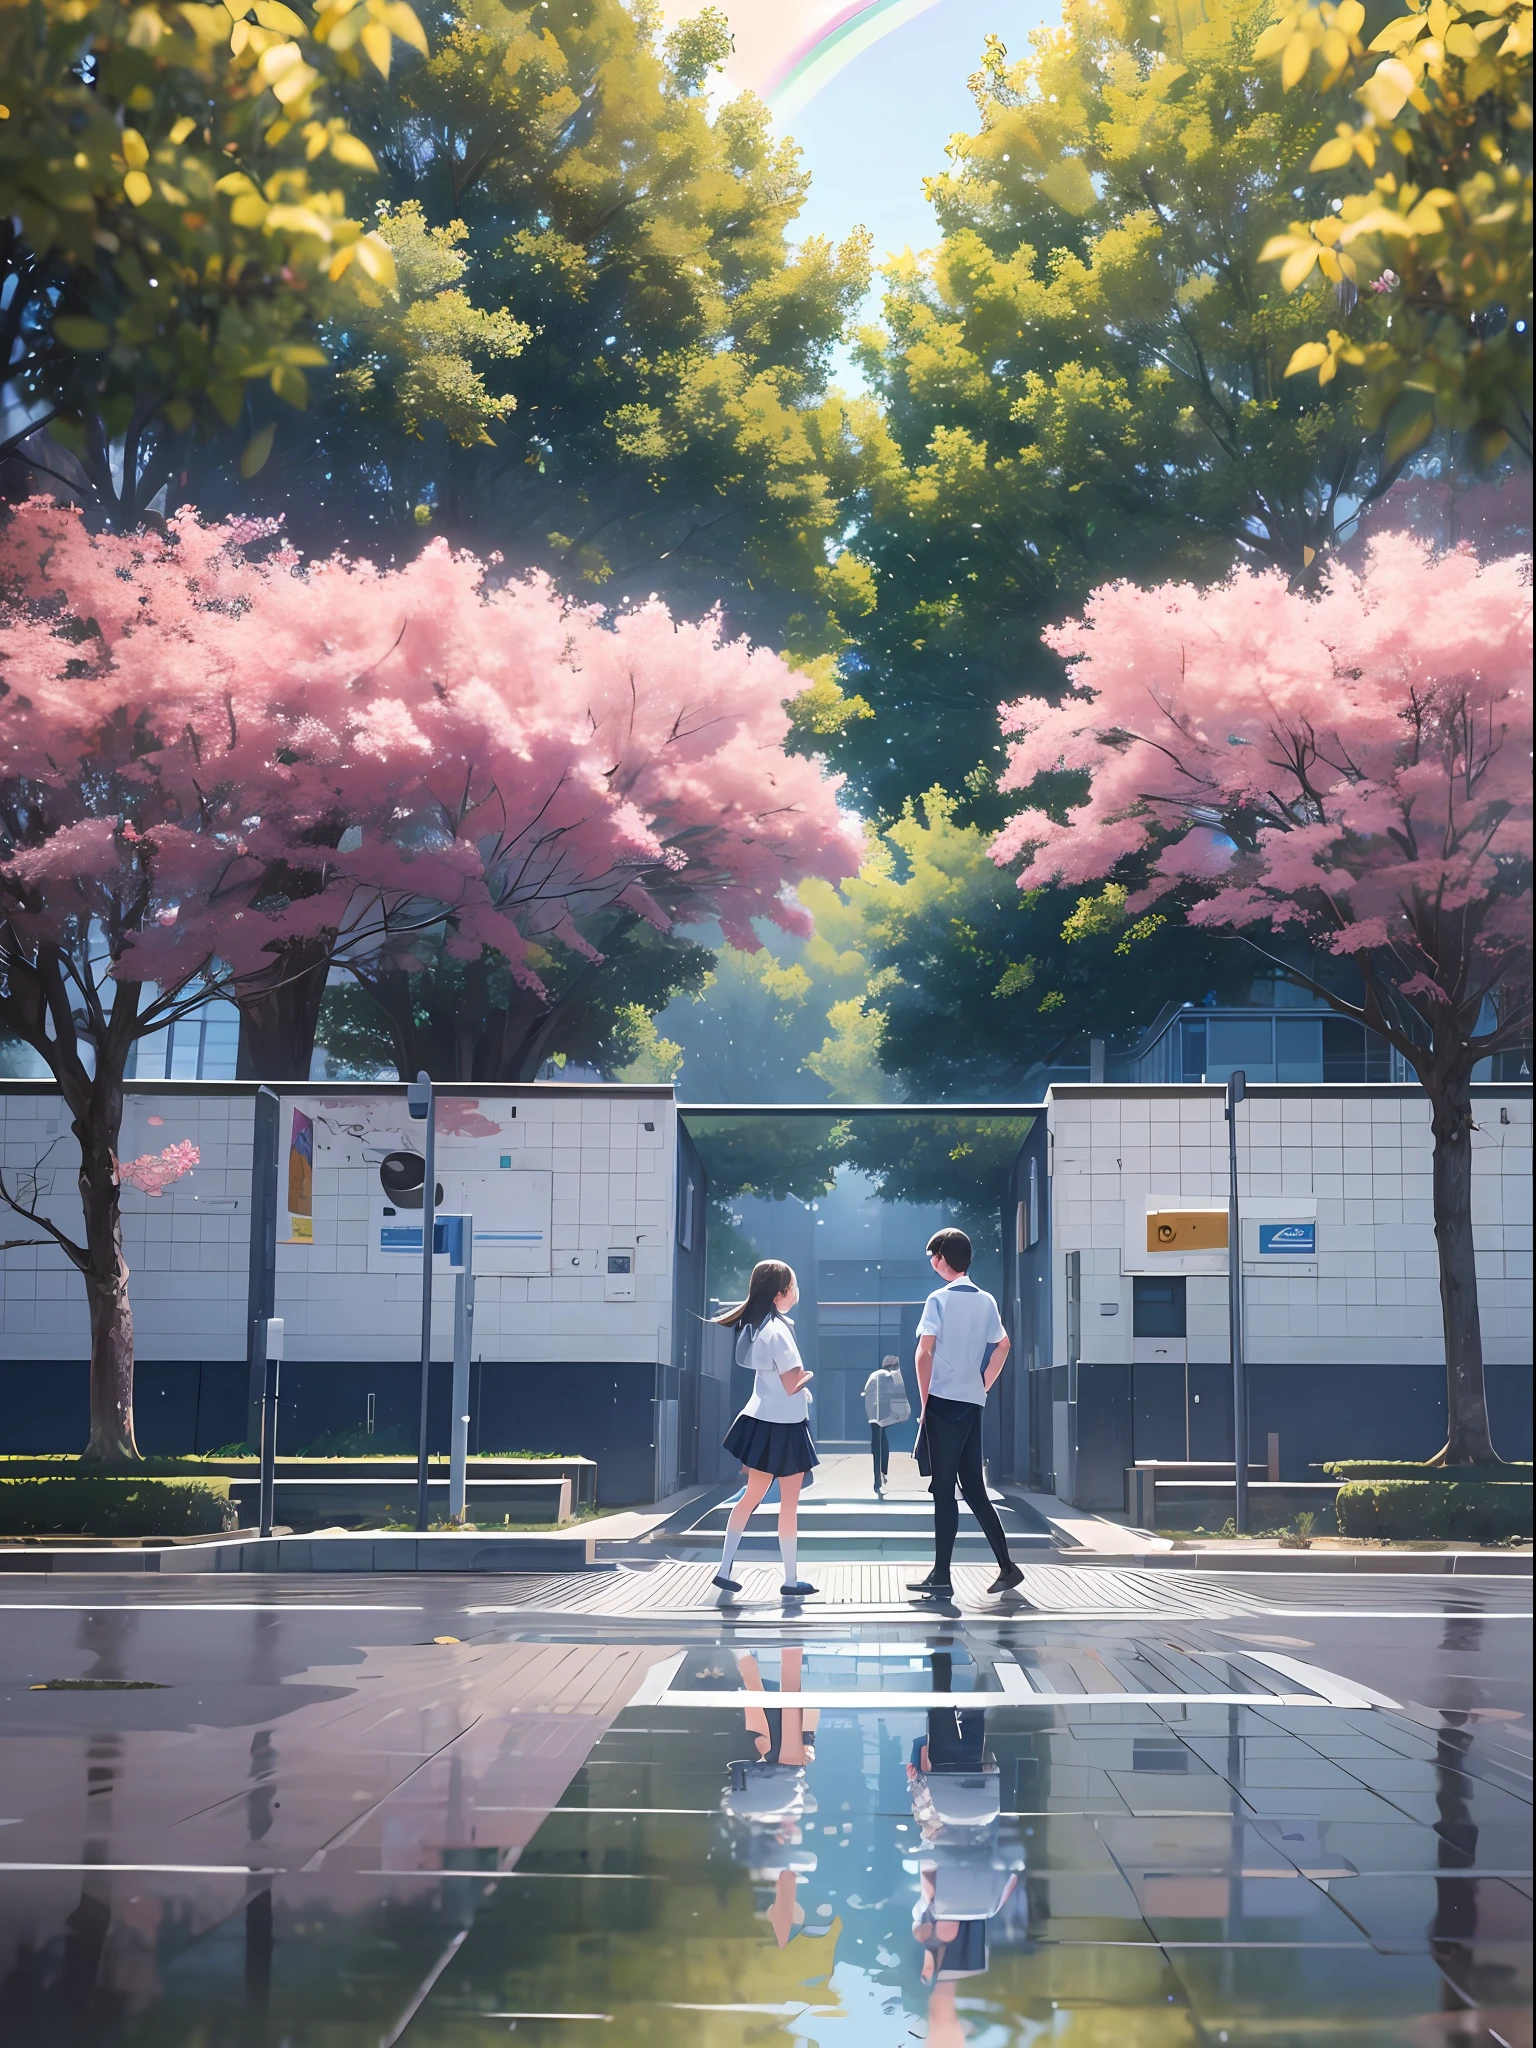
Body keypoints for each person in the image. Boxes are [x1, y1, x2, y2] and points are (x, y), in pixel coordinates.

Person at [909, 1228, 1024, 1598]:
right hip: (973, 1402)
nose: (932, 1263)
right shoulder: (987, 1300)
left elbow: (923, 1353)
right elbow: (1003, 1346)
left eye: (933, 1256)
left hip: (942, 1402)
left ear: (943, 1259)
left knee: (944, 1490)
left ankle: (942, 1576)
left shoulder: (937, 1300)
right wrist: (983, 1384)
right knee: (973, 1487)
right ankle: (1006, 1566)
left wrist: (924, 1401)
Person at [713, 1260, 819, 1597]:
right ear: (780, 1294)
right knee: (789, 1504)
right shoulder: (780, 1331)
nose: (796, 1291)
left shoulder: (758, 1327)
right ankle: (789, 1580)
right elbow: (792, 1383)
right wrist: (809, 1378)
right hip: (786, 1428)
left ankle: (725, 1568)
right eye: (793, 1286)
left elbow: (774, 1379)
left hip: (760, 1422)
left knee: (750, 1499)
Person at [861, 1353, 910, 1495]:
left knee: (880, 1444)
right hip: (879, 1415)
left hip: (876, 1415)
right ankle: (879, 1480)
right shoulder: (885, 1376)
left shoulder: (878, 1375)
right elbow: (895, 1393)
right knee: (880, 1446)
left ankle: (881, 1477)